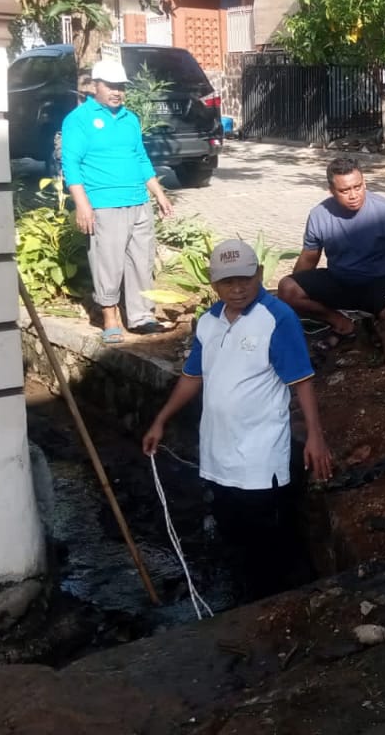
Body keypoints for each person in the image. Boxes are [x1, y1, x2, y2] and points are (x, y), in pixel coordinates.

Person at [142, 239, 333, 601]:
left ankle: (273, 603)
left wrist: (314, 437)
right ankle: (244, 599)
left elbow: (302, 380)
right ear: (214, 285)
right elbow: (192, 376)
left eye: (246, 278)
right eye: (228, 282)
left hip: (261, 455)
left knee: (267, 535)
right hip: (219, 451)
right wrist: (161, 420)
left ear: (260, 274)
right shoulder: (208, 322)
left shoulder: (277, 318)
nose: (238, 288)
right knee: (232, 529)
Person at [61, 58, 174, 343]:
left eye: (121, 87)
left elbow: (141, 158)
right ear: (94, 86)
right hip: (104, 203)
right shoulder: (79, 119)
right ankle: (110, 317)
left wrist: (158, 193)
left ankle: (141, 316)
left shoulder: (130, 119)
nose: (117, 92)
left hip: (138, 201)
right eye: (111, 86)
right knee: (107, 262)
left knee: (140, 260)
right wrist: (82, 204)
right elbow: (71, 164)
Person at [277, 157, 385, 347]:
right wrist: (290, 302)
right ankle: (343, 324)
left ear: (365, 182)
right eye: (345, 190)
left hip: (381, 282)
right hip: (340, 280)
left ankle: (375, 326)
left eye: (358, 187)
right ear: (331, 190)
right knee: (287, 289)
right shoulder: (319, 215)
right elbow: (309, 257)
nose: (353, 195)